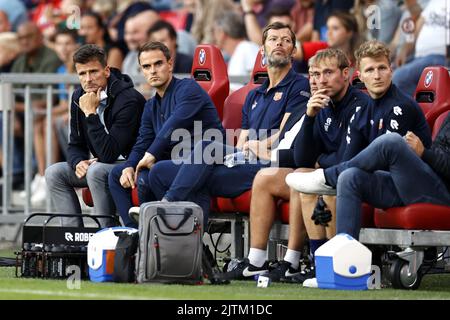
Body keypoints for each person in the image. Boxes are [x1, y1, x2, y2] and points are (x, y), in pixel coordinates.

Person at [147, 22, 310, 245]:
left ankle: (168, 208)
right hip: (243, 159)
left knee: (206, 150)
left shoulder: (300, 86)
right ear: (262, 50)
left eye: (286, 40)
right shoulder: (253, 95)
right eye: (273, 39)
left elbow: (284, 136)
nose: (279, 43)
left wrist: (255, 146)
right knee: (159, 171)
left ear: (293, 50)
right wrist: (246, 147)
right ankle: (192, 248)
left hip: (269, 165)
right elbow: (242, 140)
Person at [284, 40, 432, 285]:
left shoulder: (400, 105)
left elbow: (384, 161)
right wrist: (310, 121)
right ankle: (339, 270)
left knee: (390, 143)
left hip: (421, 188)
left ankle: (326, 178)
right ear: (359, 75)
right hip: (391, 186)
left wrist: (328, 167)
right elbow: (344, 160)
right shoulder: (364, 109)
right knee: (349, 177)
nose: (377, 75)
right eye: (370, 70)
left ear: (391, 70)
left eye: (382, 68)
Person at [221, 47, 371, 282]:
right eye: (316, 74)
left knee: (315, 180)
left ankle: (315, 261)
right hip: (328, 173)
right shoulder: (321, 105)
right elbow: (303, 158)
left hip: (358, 178)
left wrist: (320, 160)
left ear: (346, 73)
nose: (321, 80)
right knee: (295, 176)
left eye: (328, 73)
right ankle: (261, 260)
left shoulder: (360, 104)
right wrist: (310, 118)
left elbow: (347, 157)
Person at [108, 41, 224, 228]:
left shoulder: (189, 88)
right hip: (174, 164)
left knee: (152, 172)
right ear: (142, 71)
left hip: (204, 163)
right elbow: (143, 141)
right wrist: (129, 166)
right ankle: (134, 232)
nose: (152, 71)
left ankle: (154, 233)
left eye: (158, 64)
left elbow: (173, 124)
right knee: (117, 174)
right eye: (146, 66)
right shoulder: (151, 105)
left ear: (170, 64)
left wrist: (150, 155)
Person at [45, 44, 146, 227]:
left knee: (97, 170)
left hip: (129, 165)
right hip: (100, 164)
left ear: (106, 71)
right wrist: (78, 162)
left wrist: (91, 114)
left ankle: (104, 234)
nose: (88, 79)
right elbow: (75, 145)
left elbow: (109, 154)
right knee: (54, 173)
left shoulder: (128, 99)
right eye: (82, 74)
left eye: (93, 72)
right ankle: (72, 240)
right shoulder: (78, 97)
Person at [213, 10, 259, 90]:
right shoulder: (238, 51)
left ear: (222, 33)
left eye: (214, 31)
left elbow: (258, 84)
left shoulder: (247, 48)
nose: (213, 36)